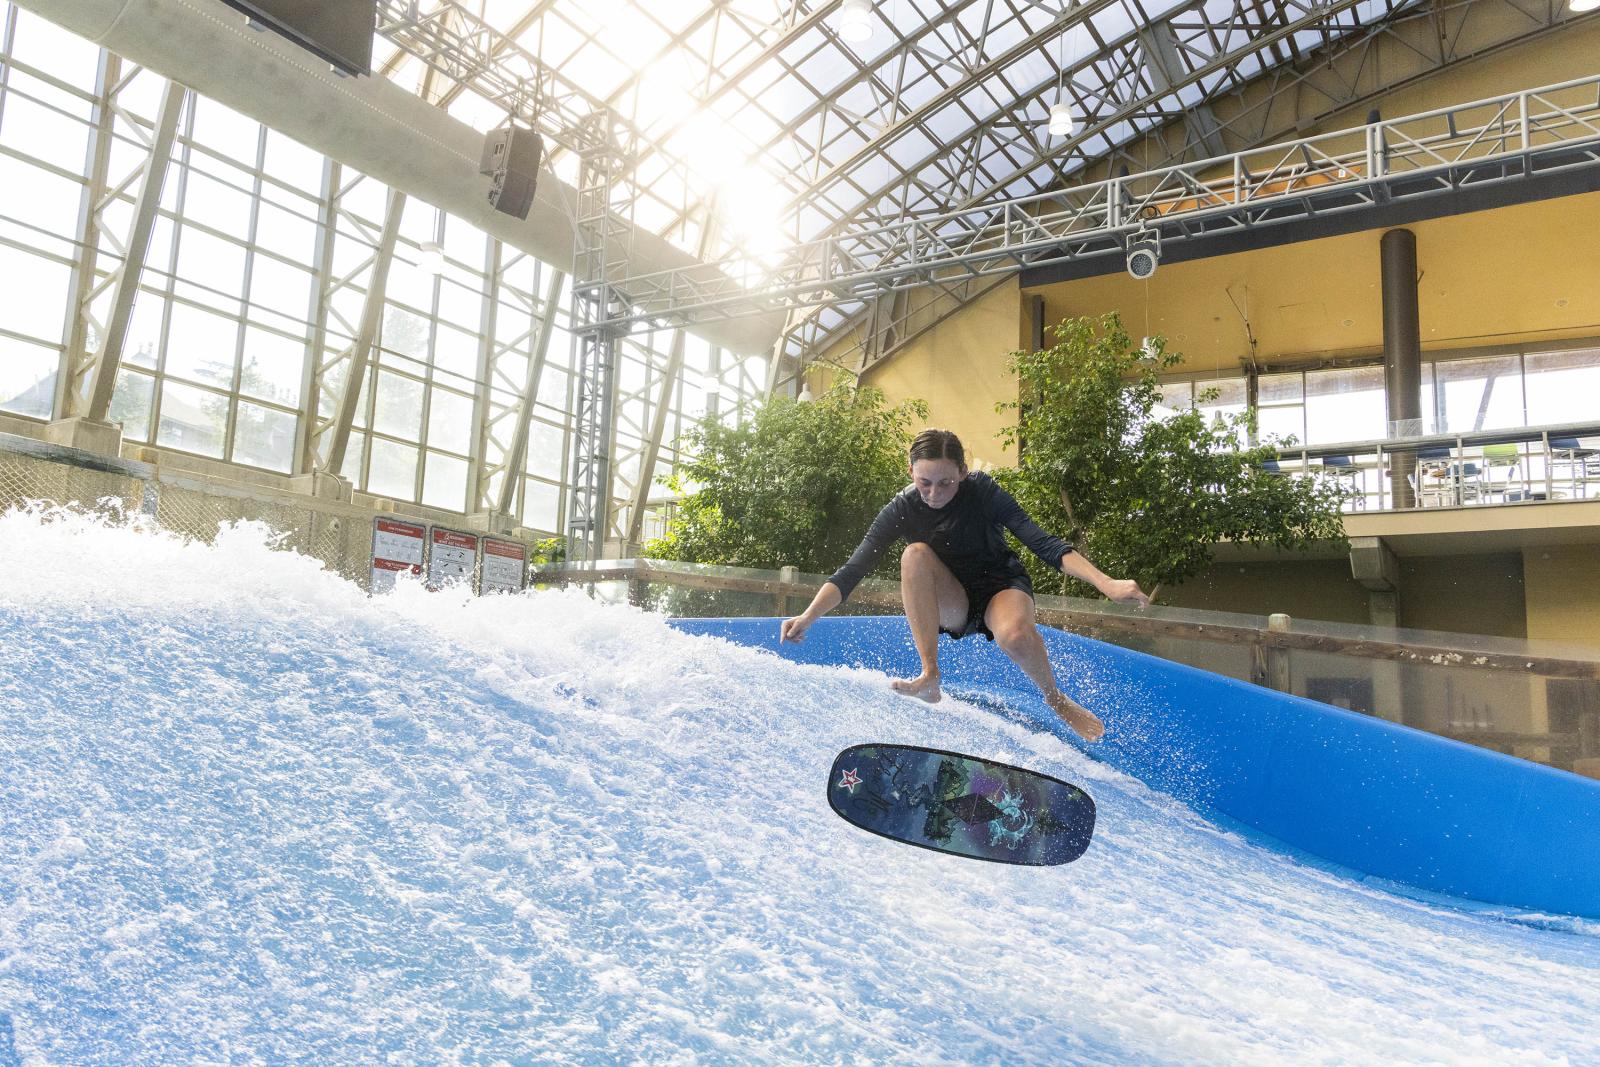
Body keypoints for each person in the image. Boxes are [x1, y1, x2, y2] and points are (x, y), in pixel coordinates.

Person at [780, 428, 1149, 741]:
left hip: (1000, 587)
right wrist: (809, 616)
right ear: (910, 471)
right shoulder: (903, 508)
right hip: (952, 600)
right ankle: (930, 675)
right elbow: (852, 570)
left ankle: (1055, 699)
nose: (934, 493)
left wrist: (1108, 584)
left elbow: (1042, 543)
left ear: (964, 472)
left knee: (1016, 637)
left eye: (946, 482)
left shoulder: (983, 492)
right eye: (924, 482)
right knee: (914, 555)